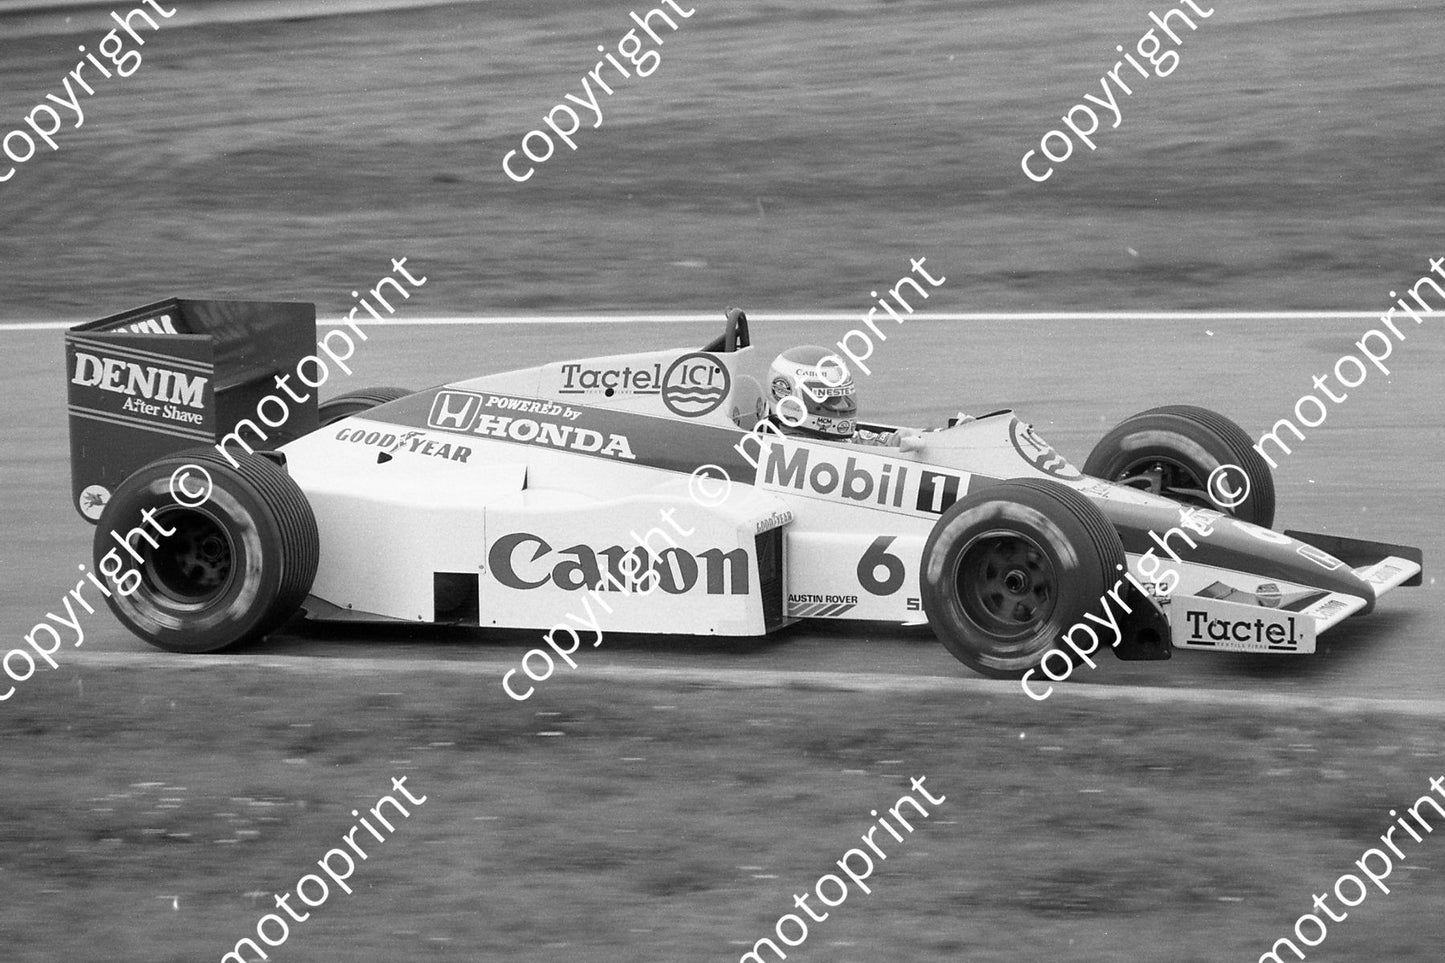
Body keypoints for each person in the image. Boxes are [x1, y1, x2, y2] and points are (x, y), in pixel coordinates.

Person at [766, 345, 916, 446]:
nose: (843, 405)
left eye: (843, 395)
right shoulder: (789, 451)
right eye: (830, 398)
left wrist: (897, 440)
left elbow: (860, 440)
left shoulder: (832, 439)